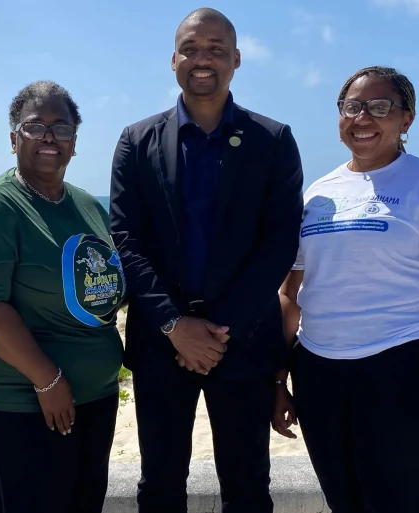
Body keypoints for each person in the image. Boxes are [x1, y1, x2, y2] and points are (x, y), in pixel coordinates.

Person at [109, 8, 304, 512]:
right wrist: (175, 324)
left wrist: (219, 330)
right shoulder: (136, 141)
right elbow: (125, 240)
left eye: (216, 49)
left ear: (236, 59)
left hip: (241, 343)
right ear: (173, 59)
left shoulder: (273, 140)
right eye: (192, 48)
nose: (203, 59)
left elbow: (280, 242)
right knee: (159, 484)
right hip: (160, 343)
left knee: (247, 485)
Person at [274, 66, 419, 513]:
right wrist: (277, 378)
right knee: (343, 502)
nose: (363, 117)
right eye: (352, 107)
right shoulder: (318, 193)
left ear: (406, 120)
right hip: (320, 374)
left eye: (380, 107)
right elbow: (291, 293)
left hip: (403, 371)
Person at [0, 80, 125, 513]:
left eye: (61, 128)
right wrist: (49, 379)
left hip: (93, 398)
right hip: (16, 401)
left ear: (74, 143)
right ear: (13, 139)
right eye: (34, 126)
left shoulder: (86, 205)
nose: (48, 136)